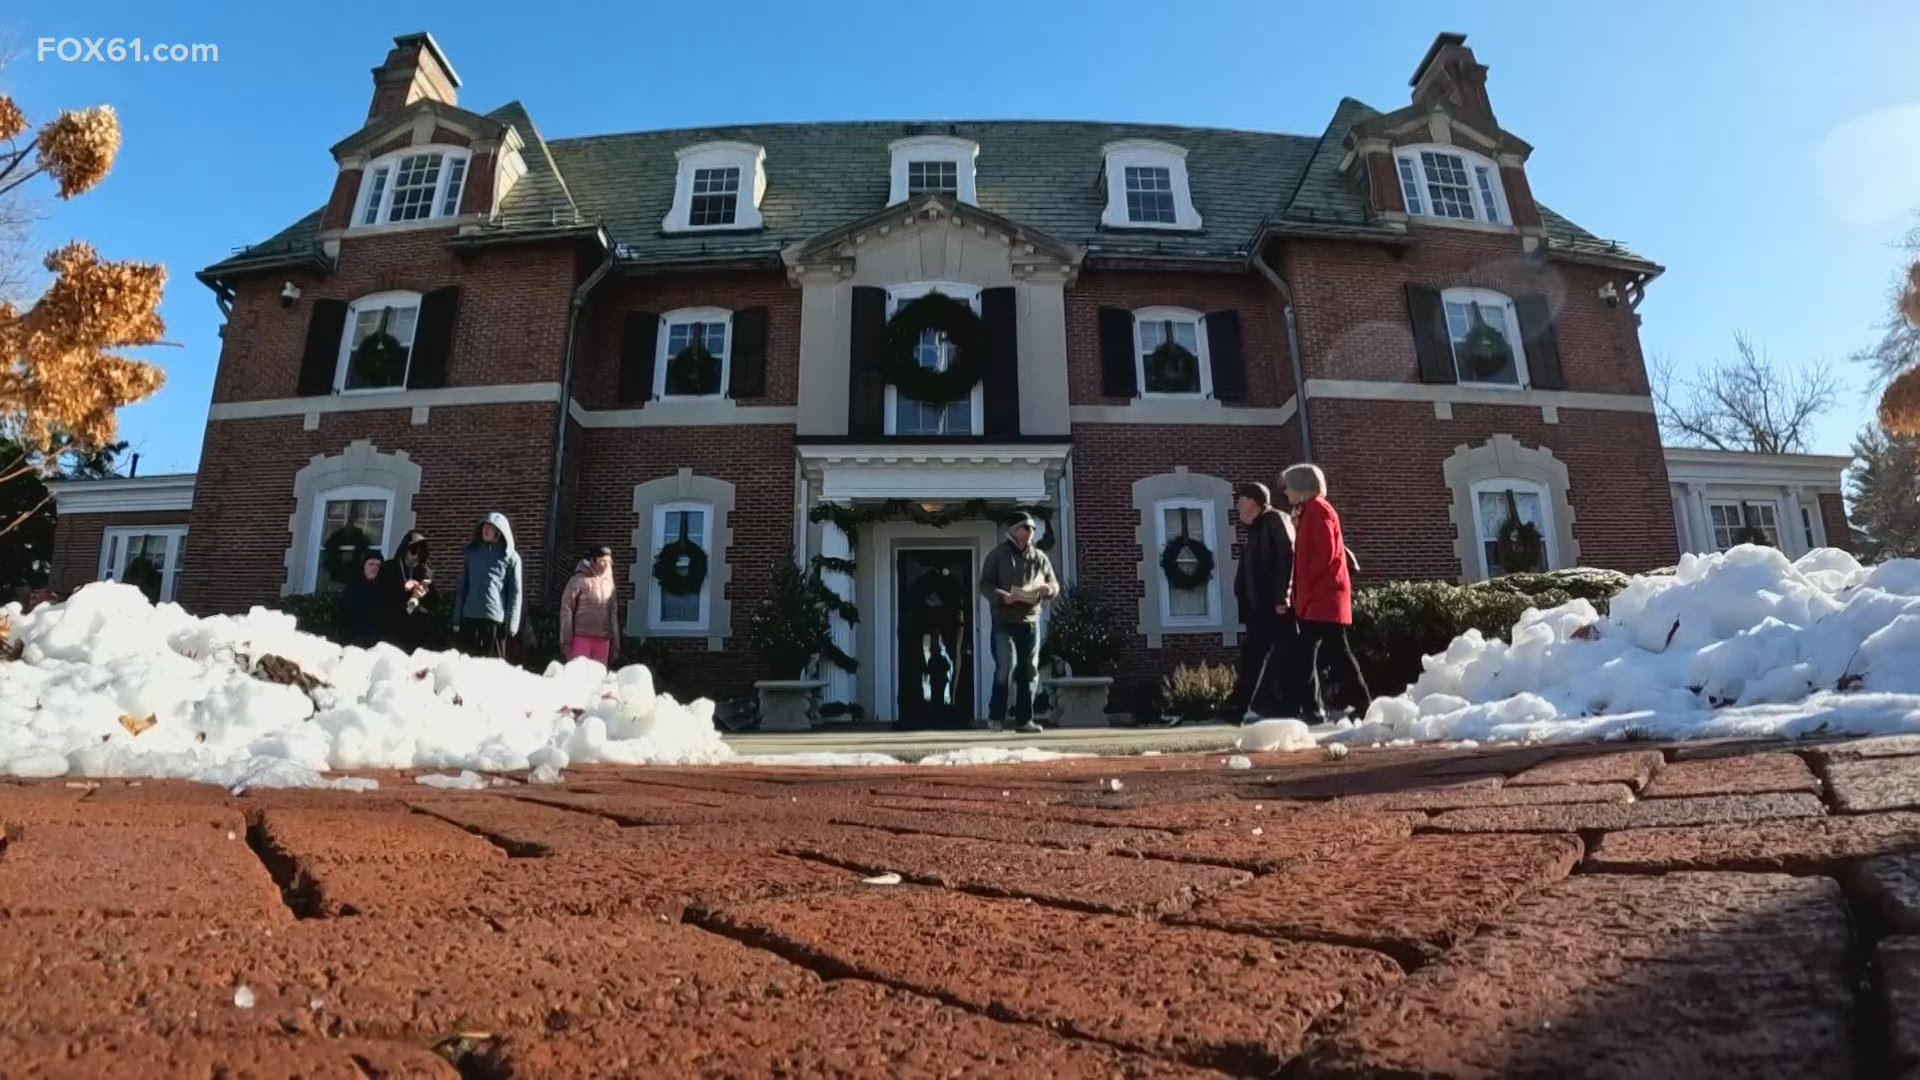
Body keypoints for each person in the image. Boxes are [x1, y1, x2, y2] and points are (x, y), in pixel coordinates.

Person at [1280, 464, 1370, 723]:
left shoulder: (1318, 510)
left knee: (1325, 653)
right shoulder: (1309, 511)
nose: (1285, 491)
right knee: (1323, 653)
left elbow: (1323, 556)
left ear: (1300, 487)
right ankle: (1319, 706)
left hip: (1322, 598)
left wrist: (1303, 592)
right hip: (1317, 598)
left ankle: (1327, 706)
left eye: (1288, 486)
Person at [977, 513, 1059, 733]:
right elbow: (985, 585)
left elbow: (1053, 583)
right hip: (1004, 621)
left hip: (1031, 620)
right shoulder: (998, 555)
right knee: (1006, 668)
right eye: (1026, 527)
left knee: (1029, 670)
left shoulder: (1039, 557)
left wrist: (1048, 590)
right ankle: (996, 717)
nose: (1030, 531)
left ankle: (1024, 720)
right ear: (1014, 530)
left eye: (1032, 528)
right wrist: (1003, 596)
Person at [1231, 482, 1295, 722]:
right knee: (1255, 657)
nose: (1238, 506)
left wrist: (1282, 596)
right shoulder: (1256, 529)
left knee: (1277, 657)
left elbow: (1287, 555)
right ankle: (1241, 708)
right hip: (1259, 607)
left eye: (1241, 501)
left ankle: (1248, 708)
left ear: (1253, 502)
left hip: (1274, 606)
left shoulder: (1275, 521)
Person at [455, 512, 522, 660]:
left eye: (491, 527)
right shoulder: (472, 554)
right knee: (467, 664)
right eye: (484, 526)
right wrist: (456, 618)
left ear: (499, 531)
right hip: (470, 617)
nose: (486, 530)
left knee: (492, 667)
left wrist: (512, 625)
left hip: (494, 620)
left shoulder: (511, 558)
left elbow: (515, 593)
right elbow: (463, 588)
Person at [558, 546, 621, 665]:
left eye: (609, 562)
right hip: (581, 637)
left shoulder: (609, 584)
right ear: (593, 561)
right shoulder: (578, 580)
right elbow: (566, 610)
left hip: (604, 638)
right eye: (603, 561)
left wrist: (616, 643)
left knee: (598, 678)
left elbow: (613, 613)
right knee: (580, 676)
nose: (606, 565)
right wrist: (566, 641)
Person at [377, 530, 433, 650]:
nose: (417, 557)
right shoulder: (390, 568)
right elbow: (381, 596)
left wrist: (425, 592)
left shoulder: (424, 571)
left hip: (416, 630)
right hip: (392, 627)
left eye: (421, 553)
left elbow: (435, 603)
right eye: (413, 552)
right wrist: (403, 587)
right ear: (405, 551)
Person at [339, 552, 384, 648]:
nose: (374, 568)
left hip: (379, 642)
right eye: (371, 564)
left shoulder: (385, 589)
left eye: (378, 565)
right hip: (354, 641)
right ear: (363, 566)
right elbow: (344, 617)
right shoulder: (352, 588)